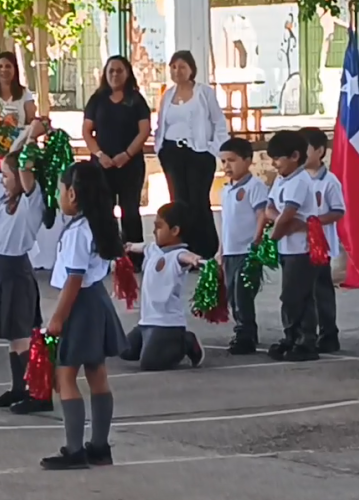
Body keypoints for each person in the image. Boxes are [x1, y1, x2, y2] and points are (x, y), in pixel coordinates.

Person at [40, 162, 129, 471]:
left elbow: (73, 280)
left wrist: (57, 318)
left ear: (73, 193)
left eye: (61, 190)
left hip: (80, 305)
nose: (59, 195)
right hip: (96, 301)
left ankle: (75, 449)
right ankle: (100, 446)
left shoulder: (79, 230)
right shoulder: (98, 223)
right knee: (97, 373)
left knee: (65, 375)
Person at [0, 150, 53, 415]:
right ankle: (18, 387)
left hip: (15, 270)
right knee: (13, 336)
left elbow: (23, 164)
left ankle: (38, 392)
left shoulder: (31, 203)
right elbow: (13, 154)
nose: (2, 180)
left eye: (5, 175)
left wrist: (32, 135)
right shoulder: (6, 201)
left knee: (22, 335)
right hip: (0, 267)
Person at [153, 50, 228, 258]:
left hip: (198, 154)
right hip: (172, 153)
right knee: (178, 200)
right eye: (174, 67)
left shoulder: (204, 92)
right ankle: (182, 247)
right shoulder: (168, 95)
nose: (178, 71)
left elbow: (218, 121)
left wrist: (215, 147)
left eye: (182, 67)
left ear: (191, 69)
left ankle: (204, 247)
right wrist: (160, 148)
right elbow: (161, 124)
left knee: (198, 200)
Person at [82, 55, 152, 269]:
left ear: (128, 73)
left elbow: (144, 131)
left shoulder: (136, 100)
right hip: (103, 165)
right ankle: (107, 255)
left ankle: (134, 259)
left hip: (130, 165)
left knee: (130, 210)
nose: (114, 75)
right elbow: (87, 131)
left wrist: (127, 154)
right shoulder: (97, 100)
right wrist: (99, 154)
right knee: (105, 209)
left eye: (119, 70)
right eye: (111, 70)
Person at [120, 203, 206, 371]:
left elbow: (188, 257)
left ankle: (186, 342)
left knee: (150, 363)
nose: (154, 231)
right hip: (146, 321)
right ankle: (154, 343)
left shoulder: (177, 255)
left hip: (167, 324)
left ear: (175, 231)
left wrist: (198, 260)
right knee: (125, 351)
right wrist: (128, 246)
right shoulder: (154, 250)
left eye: (159, 226)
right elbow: (141, 247)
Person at [264, 130, 320, 363]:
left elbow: (288, 216)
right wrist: (280, 224)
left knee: (296, 296)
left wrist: (272, 239)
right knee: (291, 295)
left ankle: (305, 340)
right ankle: (291, 336)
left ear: (295, 156)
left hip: (301, 249)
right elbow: (270, 207)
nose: (275, 164)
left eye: (278, 158)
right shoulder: (281, 179)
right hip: (288, 248)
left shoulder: (299, 181)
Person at [217, 137, 269, 354]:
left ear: (248, 160)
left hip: (247, 251)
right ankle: (241, 329)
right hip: (230, 251)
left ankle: (246, 333)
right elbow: (226, 223)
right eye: (223, 161)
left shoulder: (255, 187)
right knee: (232, 294)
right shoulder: (225, 190)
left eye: (232, 160)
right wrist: (220, 251)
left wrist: (256, 242)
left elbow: (261, 216)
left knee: (243, 294)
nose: (227, 166)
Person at [299, 128, 345, 353]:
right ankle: (304, 331)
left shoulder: (330, 182)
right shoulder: (296, 179)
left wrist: (314, 223)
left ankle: (329, 333)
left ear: (319, 151)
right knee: (301, 291)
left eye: (304, 149)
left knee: (321, 290)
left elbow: (338, 211)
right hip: (298, 245)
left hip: (320, 246)